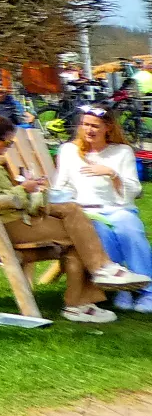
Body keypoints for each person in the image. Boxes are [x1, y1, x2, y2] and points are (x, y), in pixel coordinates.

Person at [0, 113, 148, 323]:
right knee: (79, 225)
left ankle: (83, 297)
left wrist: (33, 193)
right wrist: (24, 189)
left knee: (73, 219)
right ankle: (100, 273)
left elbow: (3, 197)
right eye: (8, 142)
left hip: (7, 221)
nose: (9, 147)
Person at [51, 106, 151, 313]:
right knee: (100, 233)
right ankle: (122, 288)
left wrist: (113, 174)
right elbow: (61, 187)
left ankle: (147, 291)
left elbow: (134, 190)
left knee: (130, 231)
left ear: (108, 128)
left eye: (95, 126)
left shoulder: (122, 152)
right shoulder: (68, 151)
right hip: (85, 211)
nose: (89, 130)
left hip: (118, 208)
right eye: (85, 125)